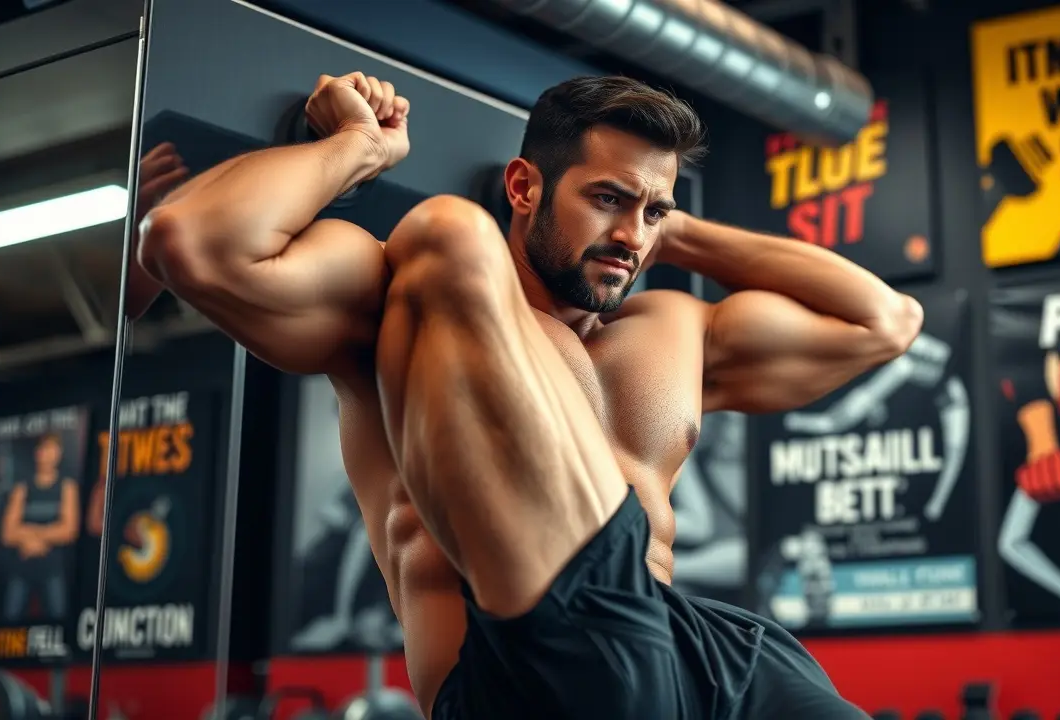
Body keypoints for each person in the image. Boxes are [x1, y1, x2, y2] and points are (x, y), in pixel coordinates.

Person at [133, 72, 921, 718]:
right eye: (607, 199)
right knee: (446, 229)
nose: (633, 237)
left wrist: (669, 226)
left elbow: (885, 320)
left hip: (711, 650)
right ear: (523, 186)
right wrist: (358, 146)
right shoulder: (401, 293)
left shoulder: (673, 330)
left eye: (654, 211)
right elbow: (191, 241)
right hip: (524, 671)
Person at [0, 433, 80, 620]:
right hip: (22, 568)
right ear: (37, 453)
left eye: (52, 449)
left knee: (59, 621)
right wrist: (46, 534)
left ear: (59, 454)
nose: (47, 454)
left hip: (53, 569)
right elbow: (7, 533)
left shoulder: (67, 487)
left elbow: (69, 530)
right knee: (9, 622)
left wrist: (30, 534)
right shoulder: (22, 487)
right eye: (44, 449)